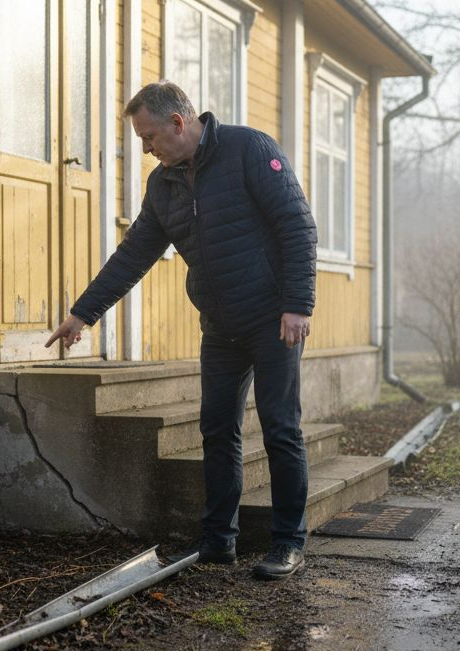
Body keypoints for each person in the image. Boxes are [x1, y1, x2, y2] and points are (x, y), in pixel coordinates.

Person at [45, 81, 316, 581]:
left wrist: (298, 304)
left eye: (149, 137)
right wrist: (84, 313)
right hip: (220, 324)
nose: (146, 149)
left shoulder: (248, 149)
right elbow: (134, 254)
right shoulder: (162, 184)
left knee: (280, 428)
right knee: (217, 429)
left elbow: (297, 225)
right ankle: (219, 540)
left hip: (274, 318)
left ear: (178, 122)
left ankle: (287, 542)